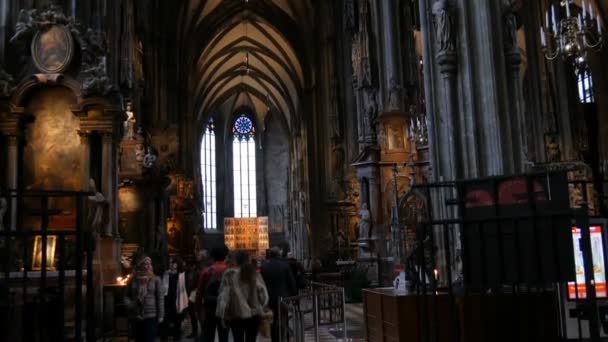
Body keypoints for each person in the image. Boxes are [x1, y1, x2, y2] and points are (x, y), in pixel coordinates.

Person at [217, 251, 269, 342]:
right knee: (251, 339)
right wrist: (261, 305)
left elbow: (223, 295)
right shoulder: (254, 273)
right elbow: (263, 294)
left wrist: (223, 313)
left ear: (236, 260)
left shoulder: (229, 275)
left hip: (236, 313)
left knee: (237, 339)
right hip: (254, 313)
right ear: (248, 260)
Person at [124, 255, 164, 342]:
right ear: (140, 265)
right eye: (145, 264)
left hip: (151, 315)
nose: (147, 266)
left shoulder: (156, 279)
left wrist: (161, 315)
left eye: (149, 264)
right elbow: (126, 295)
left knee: (149, 338)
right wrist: (130, 304)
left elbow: (160, 298)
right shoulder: (133, 279)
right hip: (136, 315)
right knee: (138, 339)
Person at [261, 247, 296, 342]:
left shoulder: (264, 266)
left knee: (272, 320)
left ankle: (274, 339)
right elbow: (291, 282)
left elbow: (262, 284)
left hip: (269, 297)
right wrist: (294, 296)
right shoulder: (285, 265)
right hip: (283, 297)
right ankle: (283, 338)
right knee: (283, 319)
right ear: (279, 255)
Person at [196, 245, 230, 342]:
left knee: (208, 335)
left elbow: (199, 293)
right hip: (224, 308)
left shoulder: (206, 271)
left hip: (209, 308)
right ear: (226, 256)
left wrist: (198, 310)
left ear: (213, 257)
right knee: (224, 336)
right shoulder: (229, 271)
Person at [162, 256, 188, 340]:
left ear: (177, 264)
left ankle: (176, 338)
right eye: (170, 263)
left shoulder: (181, 275)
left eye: (173, 263)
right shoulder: (166, 274)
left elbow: (185, 288)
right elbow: (163, 288)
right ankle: (165, 338)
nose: (171, 264)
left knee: (177, 322)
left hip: (178, 300)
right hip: (167, 300)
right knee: (165, 322)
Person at [186, 259, 200, 338]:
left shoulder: (196, 273)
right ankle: (195, 332)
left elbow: (195, 285)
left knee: (194, 315)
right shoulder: (189, 273)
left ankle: (196, 332)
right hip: (190, 296)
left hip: (193, 296)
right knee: (192, 315)